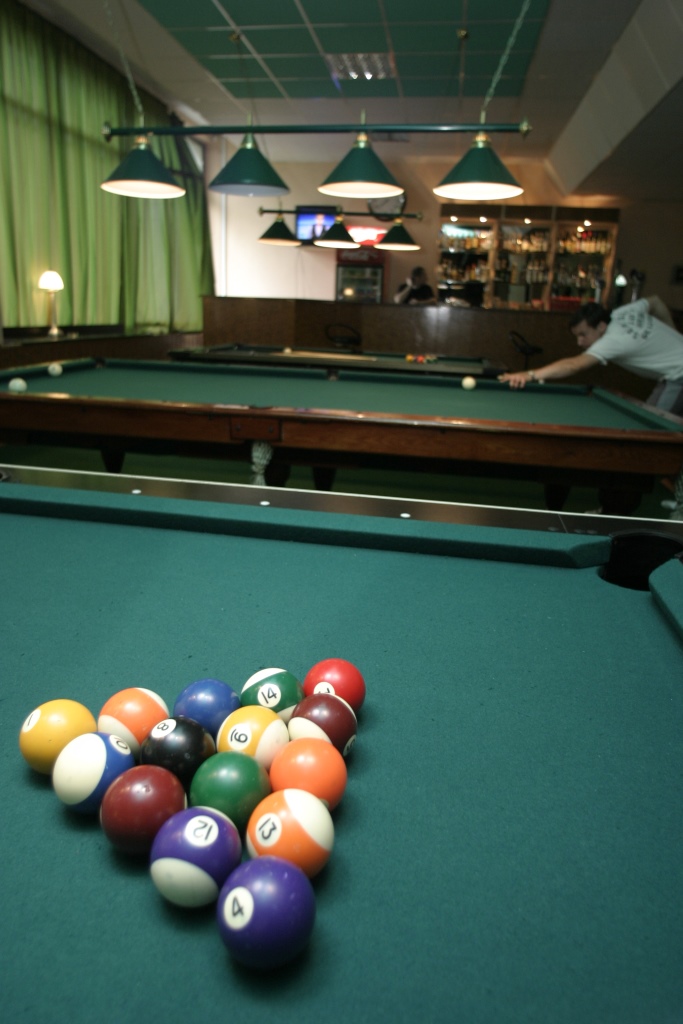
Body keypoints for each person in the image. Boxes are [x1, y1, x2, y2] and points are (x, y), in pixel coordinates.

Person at [498, 296, 683, 515]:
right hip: (673, 374)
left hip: (679, 375)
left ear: (601, 327)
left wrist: (529, 375)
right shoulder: (621, 314)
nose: (580, 342)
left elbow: (574, 365)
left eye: (583, 334)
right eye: (577, 336)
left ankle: (630, 510)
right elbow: (655, 302)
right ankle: (614, 506)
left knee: (652, 438)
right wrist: (676, 337)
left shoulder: (613, 339)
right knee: (649, 432)